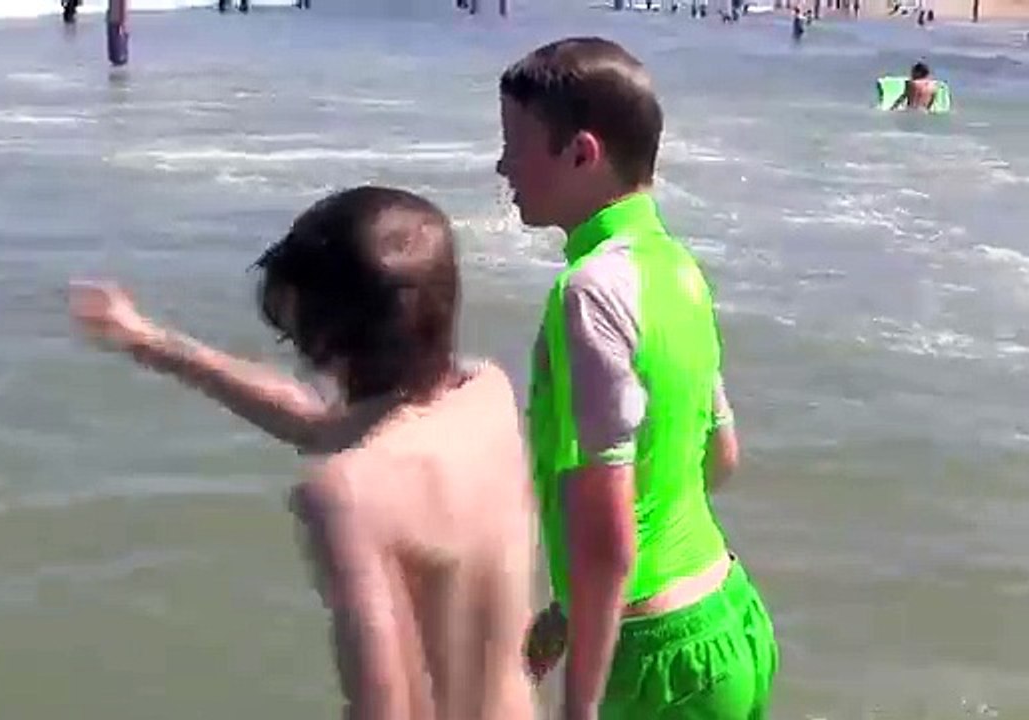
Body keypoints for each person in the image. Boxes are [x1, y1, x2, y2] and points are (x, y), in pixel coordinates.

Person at [69, 186, 538, 720]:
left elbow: (383, 706)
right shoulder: (487, 392)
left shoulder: (346, 495)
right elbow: (321, 423)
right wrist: (146, 340)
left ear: (329, 344)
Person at [496, 38, 779, 719]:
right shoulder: (678, 269)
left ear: (581, 153)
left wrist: (579, 706)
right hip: (730, 619)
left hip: (656, 662)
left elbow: (607, 544)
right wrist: (571, 608)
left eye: (514, 144)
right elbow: (719, 456)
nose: (502, 165)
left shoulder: (588, 293)